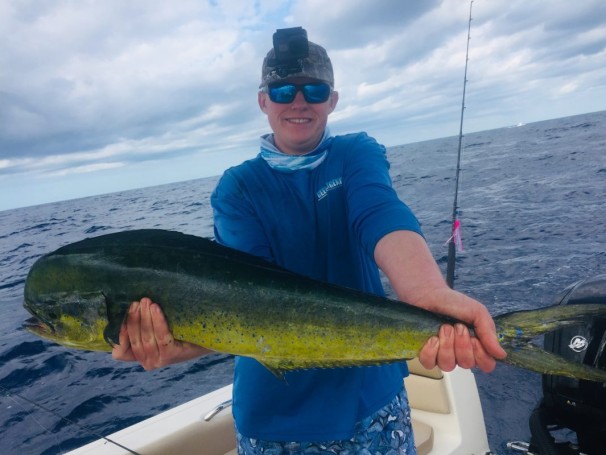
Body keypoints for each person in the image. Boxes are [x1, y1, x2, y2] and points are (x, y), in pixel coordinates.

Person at [113, 27, 506, 454]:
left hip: (373, 402)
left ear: (332, 101)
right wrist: (175, 345)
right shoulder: (238, 188)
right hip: (277, 422)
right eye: (282, 90)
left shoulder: (356, 154)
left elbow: (379, 212)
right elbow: (245, 306)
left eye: (313, 89)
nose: (298, 101)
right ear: (263, 101)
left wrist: (427, 291)